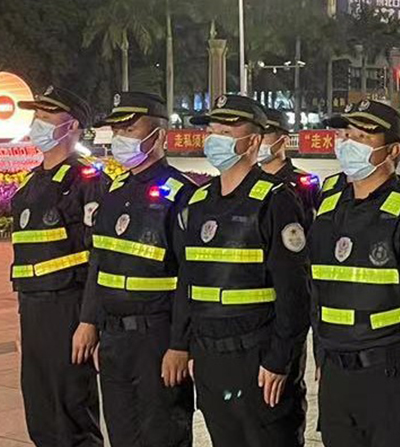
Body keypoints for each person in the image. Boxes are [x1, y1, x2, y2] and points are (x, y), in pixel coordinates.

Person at [177, 94, 314, 446]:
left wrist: (280, 360)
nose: (215, 139)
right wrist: (187, 346)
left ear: (253, 142)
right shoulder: (198, 201)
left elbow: (294, 292)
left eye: (226, 131)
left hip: (257, 359)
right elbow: (188, 282)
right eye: (212, 130)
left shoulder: (275, 199)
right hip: (209, 356)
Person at [309, 99, 400, 447]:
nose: (349, 143)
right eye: (347, 135)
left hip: (390, 368)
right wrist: (320, 353)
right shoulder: (329, 206)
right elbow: (317, 288)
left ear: (392, 150)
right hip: (336, 367)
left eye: (363, 137)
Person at [79, 91, 198, 447]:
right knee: (122, 432)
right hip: (115, 339)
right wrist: (90, 322)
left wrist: (180, 345)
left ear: (159, 135)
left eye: (130, 130)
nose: (121, 138)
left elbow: (189, 278)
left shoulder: (181, 194)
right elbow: (99, 261)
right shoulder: (115, 191)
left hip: (156, 338)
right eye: (118, 130)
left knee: (162, 433)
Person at [9, 86, 107, 447]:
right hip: (34, 309)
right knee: (40, 410)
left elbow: (100, 257)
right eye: (37, 116)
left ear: (72, 126)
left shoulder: (88, 182)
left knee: (71, 408)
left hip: (69, 306)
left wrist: (89, 321)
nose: (38, 123)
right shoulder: (30, 184)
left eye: (48, 117)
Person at [258, 107, 323, 213]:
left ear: (285, 140)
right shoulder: (246, 179)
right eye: (255, 135)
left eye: (263, 136)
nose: (257, 141)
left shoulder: (304, 181)